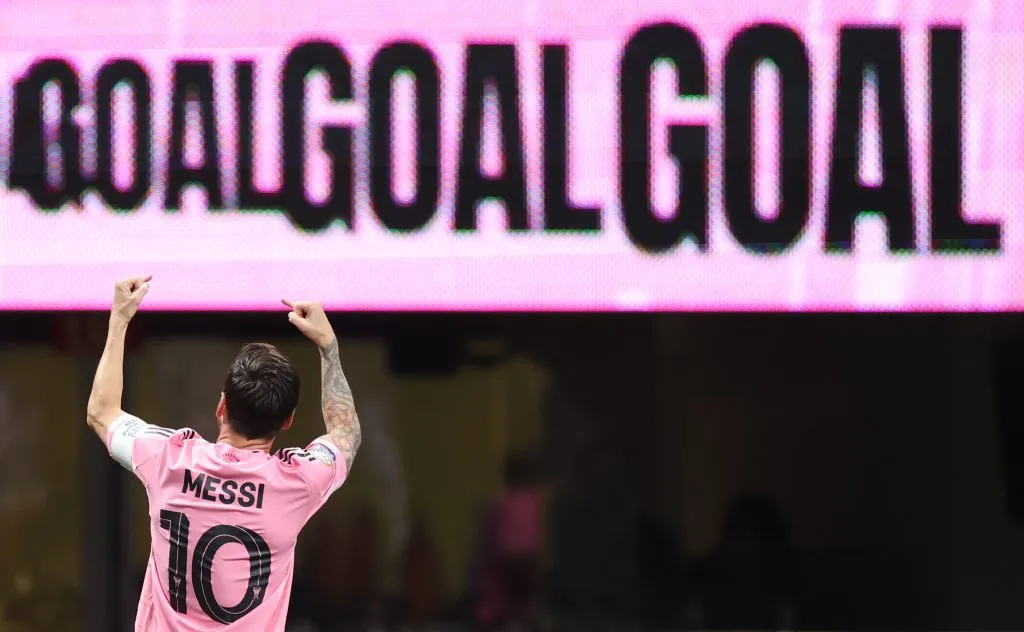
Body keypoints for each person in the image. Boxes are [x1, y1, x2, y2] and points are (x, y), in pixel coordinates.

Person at [85, 276, 362, 631]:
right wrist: (328, 346)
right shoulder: (297, 483)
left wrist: (120, 319)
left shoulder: (169, 458)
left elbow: (102, 412)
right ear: (288, 420)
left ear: (222, 406)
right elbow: (345, 434)